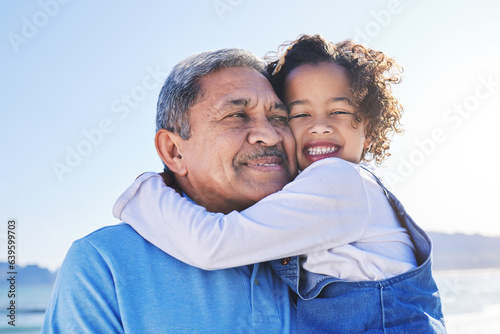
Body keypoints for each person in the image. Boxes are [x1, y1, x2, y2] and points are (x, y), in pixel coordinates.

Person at [113, 35, 446, 333]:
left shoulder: (338, 180)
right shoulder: (317, 198)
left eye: (339, 112)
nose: (320, 127)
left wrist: (147, 191)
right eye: (298, 115)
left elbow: (212, 243)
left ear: (369, 131)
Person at [41, 48, 298, 333]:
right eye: (237, 115)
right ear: (174, 151)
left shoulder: (328, 245)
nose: (270, 134)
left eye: (280, 118)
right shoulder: (104, 263)